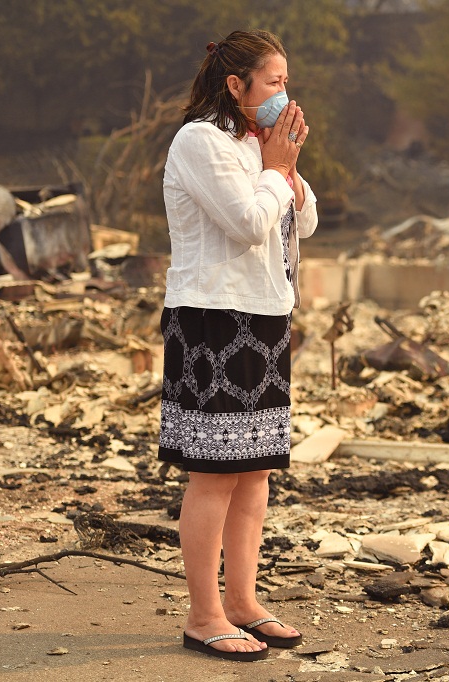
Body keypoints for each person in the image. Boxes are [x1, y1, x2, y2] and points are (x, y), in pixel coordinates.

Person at [158, 29, 317, 662]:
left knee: (254, 475)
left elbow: (302, 220)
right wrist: (277, 171)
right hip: (211, 318)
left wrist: (287, 166)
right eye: (274, 82)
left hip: (266, 314)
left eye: (286, 81)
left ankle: (244, 602)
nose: (285, 93)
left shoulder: (259, 145)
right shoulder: (200, 141)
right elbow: (250, 224)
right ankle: (203, 614)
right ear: (236, 85)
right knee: (215, 475)